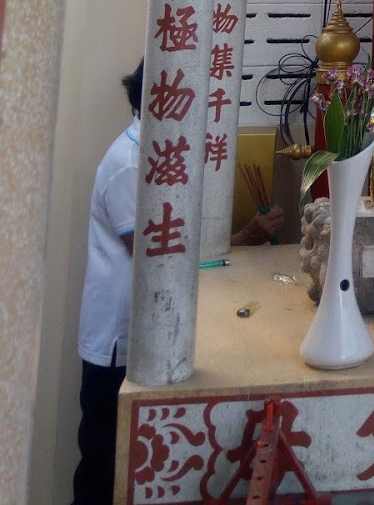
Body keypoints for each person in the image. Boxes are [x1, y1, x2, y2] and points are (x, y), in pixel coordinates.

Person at [71, 61, 284, 504]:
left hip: (149, 333)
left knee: (136, 468)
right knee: (103, 466)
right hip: (117, 341)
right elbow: (158, 257)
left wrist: (242, 239)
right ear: (156, 99)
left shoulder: (156, 154)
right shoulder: (129, 163)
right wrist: (243, 238)